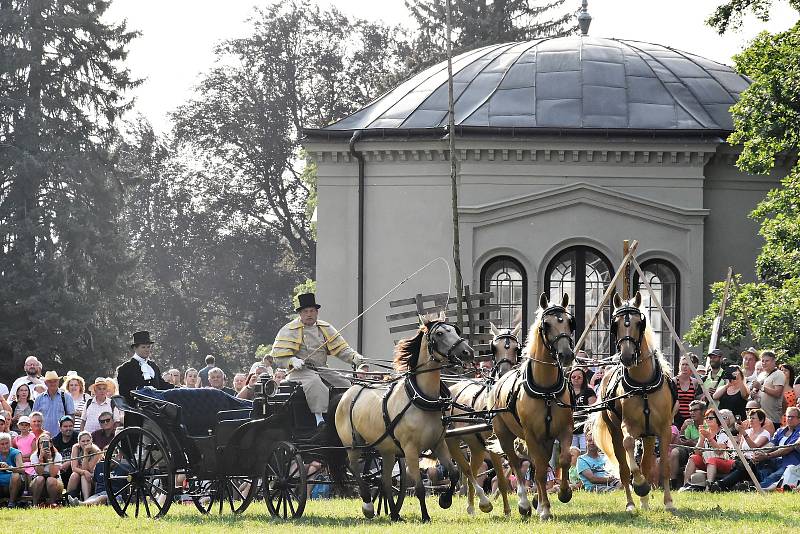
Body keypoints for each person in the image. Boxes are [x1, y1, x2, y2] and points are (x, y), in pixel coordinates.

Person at [270, 292, 364, 430]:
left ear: (317, 312)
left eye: (312, 311)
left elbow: (341, 349)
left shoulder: (325, 328)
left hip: (322, 368)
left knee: (344, 383)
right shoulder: (288, 330)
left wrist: (354, 357)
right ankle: (320, 418)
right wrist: (292, 360)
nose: (309, 314)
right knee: (315, 383)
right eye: (306, 311)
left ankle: (348, 415)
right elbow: (278, 356)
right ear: (300, 314)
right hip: (300, 371)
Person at [711, 408, 771, 491]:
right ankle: (722, 485)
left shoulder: (765, 433)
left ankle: (721, 484)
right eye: (750, 417)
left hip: (756, 463)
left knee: (744, 466)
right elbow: (740, 449)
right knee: (740, 465)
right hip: (742, 460)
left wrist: (743, 433)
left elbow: (754, 446)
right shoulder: (747, 431)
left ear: (761, 420)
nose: (750, 420)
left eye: (753, 418)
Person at [116, 331, 174, 404]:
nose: (147, 350)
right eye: (143, 347)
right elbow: (124, 392)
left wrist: (177, 389)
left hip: (155, 411)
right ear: (135, 348)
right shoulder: (125, 368)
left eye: (148, 347)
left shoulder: (153, 366)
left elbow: (161, 385)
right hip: (136, 411)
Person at [680, 409, 732, 489]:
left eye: (710, 418)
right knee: (693, 458)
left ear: (718, 419)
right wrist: (701, 439)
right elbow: (697, 452)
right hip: (707, 461)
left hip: (722, 462)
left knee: (711, 460)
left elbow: (719, 452)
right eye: (706, 418)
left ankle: (709, 486)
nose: (707, 420)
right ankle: (686, 484)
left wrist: (709, 438)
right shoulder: (705, 432)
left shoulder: (723, 433)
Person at [752, 406, 800, 488]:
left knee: (773, 476)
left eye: (792, 417)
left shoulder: (799, 432)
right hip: (774, 460)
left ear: (799, 419)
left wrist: (767, 456)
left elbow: (787, 449)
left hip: (789, 464)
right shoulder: (780, 431)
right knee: (754, 465)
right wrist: (760, 453)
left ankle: (757, 488)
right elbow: (771, 445)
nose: (789, 419)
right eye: (787, 416)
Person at [669, 400, 705, 488]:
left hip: (703, 449)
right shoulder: (689, 424)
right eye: (690, 411)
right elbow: (681, 441)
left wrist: (693, 443)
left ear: (703, 411)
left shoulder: (707, 423)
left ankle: (688, 484)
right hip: (690, 448)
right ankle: (673, 484)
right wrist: (683, 428)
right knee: (675, 452)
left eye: (695, 410)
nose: (692, 413)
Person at [32, 370, 75, 437]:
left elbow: (71, 417)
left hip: (62, 437)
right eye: (50, 382)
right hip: (43, 436)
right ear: (45, 383)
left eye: (55, 381)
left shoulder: (66, 397)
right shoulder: (39, 399)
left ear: (58, 382)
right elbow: (33, 418)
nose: (53, 383)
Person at [751, 350, 785, 428]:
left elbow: (778, 393)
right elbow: (757, 390)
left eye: (767, 361)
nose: (764, 363)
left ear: (773, 361)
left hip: (772, 418)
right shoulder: (761, 375)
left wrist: (761, 387)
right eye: (762, 361)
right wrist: (753, 393)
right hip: (759, 417)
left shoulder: (779, 374)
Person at [30, 432, 64, 506]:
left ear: (51, 444)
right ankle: (35, 504)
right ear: (38, 445)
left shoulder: (57, 455)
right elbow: (39, 473)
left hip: (54, 483)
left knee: (50, 480)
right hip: (39, 484)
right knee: (40, 478)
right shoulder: (34, 456)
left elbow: (53, 474)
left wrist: (50, 459)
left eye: (46, 442)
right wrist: (41, 458)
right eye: (41, 443)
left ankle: (53, 503)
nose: (43, 444)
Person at [67, 431, 101, 500]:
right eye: (83, 441)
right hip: (83, 473)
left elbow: (89, 469)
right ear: (79, 442)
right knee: (74, 475)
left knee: (84, 476)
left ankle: (86, 500)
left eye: (88, 441)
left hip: (93, 477)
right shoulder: (75, 447)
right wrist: (83, 471)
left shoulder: (96, 451)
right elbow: (74, 468)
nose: (85, 443)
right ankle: (69, 498)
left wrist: (86, 453)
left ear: (91, 440)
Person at [570, 368, 596, 451]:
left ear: (583, 378)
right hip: (571, 429)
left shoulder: (589, 391)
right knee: (572, 453)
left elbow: (593, 410)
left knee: (584, 451)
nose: (576, 379)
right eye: (573, 377)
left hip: (585, 428)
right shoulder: (566, 392)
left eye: (579, 377)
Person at [673, 356, 701, 428]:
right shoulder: (674, 381)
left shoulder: (695, 382)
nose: (684, 367)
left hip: (690, 417)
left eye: (687, 364)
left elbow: (696, 399)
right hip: (676, 417)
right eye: (683, 364)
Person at [0, 432, 24, 508]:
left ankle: (11, 503)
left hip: (15, 486)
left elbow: (22, 470)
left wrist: (9, 467)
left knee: (16, 475)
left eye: (7, 443)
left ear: (10, 443)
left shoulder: (16, 453)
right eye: (2, 444)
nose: (5, 446)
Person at [52, 415, 78, 486]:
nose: (68, 428)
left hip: (75, 468)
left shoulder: (78, 438)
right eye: (65, 426)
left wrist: (69, 462)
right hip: (59, 469)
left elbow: (82, 455)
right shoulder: (55, 441)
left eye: (70, 426)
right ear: (60, 428)